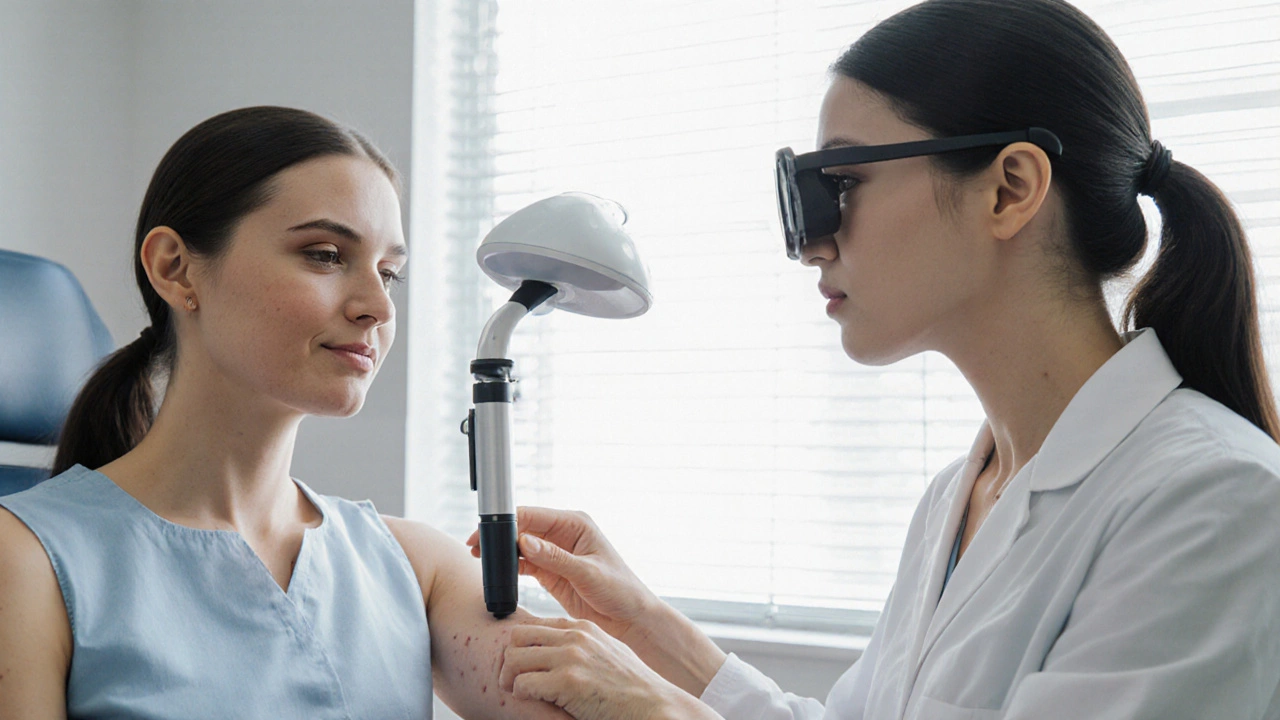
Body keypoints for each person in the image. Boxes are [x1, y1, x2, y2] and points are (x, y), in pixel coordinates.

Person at [474, 0, 1280, 718]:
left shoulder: (1213, 503)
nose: (811, 243)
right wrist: (648, 630)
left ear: (1009, 189)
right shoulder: (957, 500)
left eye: (842, 182)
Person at [0, 106, 572, 719]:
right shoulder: (26, 559)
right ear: (175, 268)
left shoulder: (419, 567)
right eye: (325, 254)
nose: (377, 306)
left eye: (391, 274)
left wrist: (643, 621)